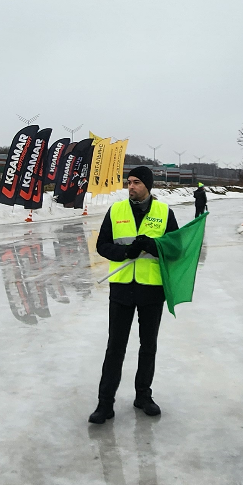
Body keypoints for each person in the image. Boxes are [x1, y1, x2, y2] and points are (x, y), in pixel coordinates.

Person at [89, 166, 180, 424]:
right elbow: (102, 245)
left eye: (137, 182)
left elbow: (175, 248)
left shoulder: (164, 212)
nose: (131, 186)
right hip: (121, 289)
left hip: (151, 289)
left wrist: (153, 245)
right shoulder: (116, 210)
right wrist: (125, 252)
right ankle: (105, 404)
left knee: (147, 346)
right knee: (115, 347)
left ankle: (143, 396)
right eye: (129, 182)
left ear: (148, 186)